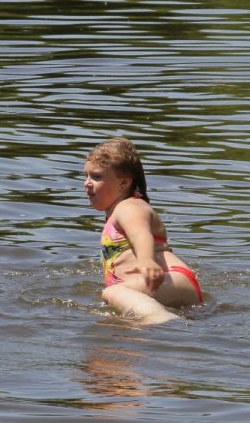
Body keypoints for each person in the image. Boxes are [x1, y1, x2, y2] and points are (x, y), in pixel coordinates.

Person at [84, 137, 204, 324]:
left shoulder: (130, 207)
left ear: (124, 183)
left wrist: (146, 261)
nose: (87, 183)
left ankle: (163, 320)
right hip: (164, 285)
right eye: (87, 175)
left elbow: (140, 233)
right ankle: (164, 320)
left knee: (113, 292)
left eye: (97, 177)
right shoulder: (118, 212)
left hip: (171, 278)